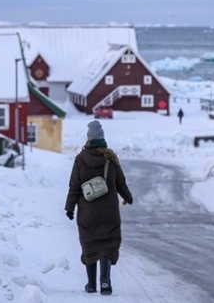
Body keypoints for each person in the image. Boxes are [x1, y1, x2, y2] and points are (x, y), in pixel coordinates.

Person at [65, 120, 133, 295]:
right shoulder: (111, 157)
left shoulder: (80, 159)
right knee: (108, 245)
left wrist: (70, 208)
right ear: (102, 138)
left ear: (88, 139)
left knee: (90, 245)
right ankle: (105, 282)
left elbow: (74, 186)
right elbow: (121, 183)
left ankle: (91, 284)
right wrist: (127, 197)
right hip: (109, 211)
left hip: (87, 212)